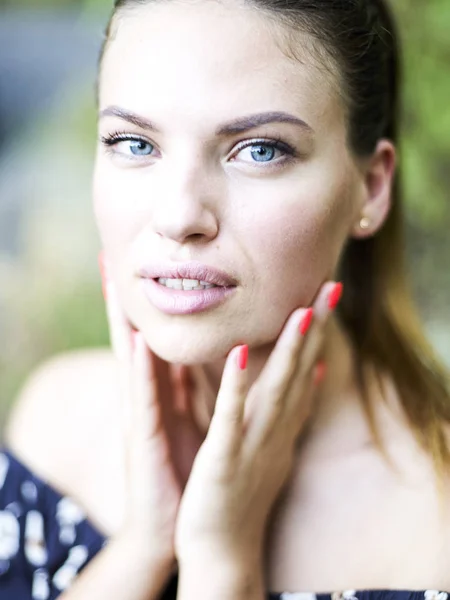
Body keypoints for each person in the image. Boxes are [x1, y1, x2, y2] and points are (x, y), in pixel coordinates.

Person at [1, 0, 450, 598]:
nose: (180, 215)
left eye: (260, 150)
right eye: (134, 143)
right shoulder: (57, 420)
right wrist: (145, 544)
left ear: (370, 188)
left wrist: (222, 564)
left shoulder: (435, 522)